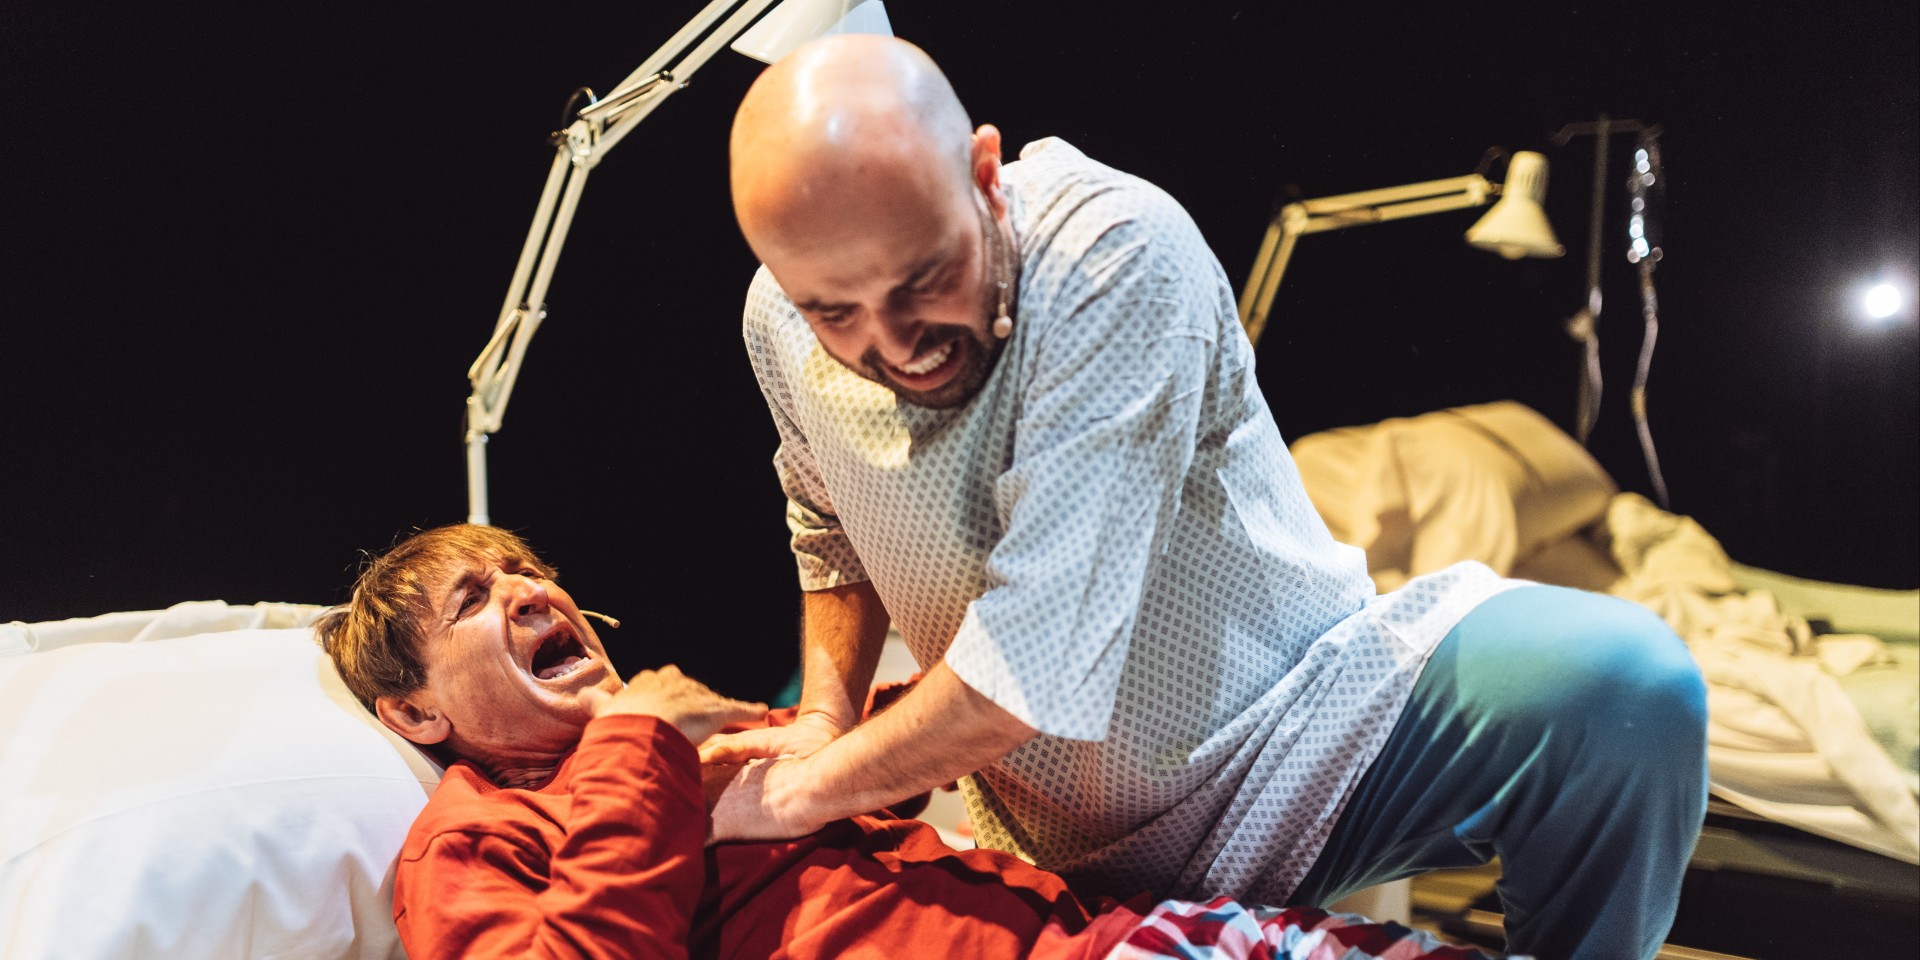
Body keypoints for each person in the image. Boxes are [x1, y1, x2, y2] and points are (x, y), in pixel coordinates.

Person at [706, 33, 1709, 960]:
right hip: (1063, 828)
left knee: (1629, 690)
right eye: (836, 312)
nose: (893, 344)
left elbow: (1032, 664)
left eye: (924, 279)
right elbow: (826, 525)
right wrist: (824, 717)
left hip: (1296, 742)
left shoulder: (1112, 252)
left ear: (985, 175)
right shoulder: (776, 321)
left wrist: (799, 792)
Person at [314, 523, 1505, 960]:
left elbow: (871, 772)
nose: (530, 591)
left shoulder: (700, 745)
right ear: (415, 715)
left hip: (1102, 937)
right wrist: (636, 745)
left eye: (526, 569)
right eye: (475, 599)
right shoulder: (471, 840)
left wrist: (966, 687)